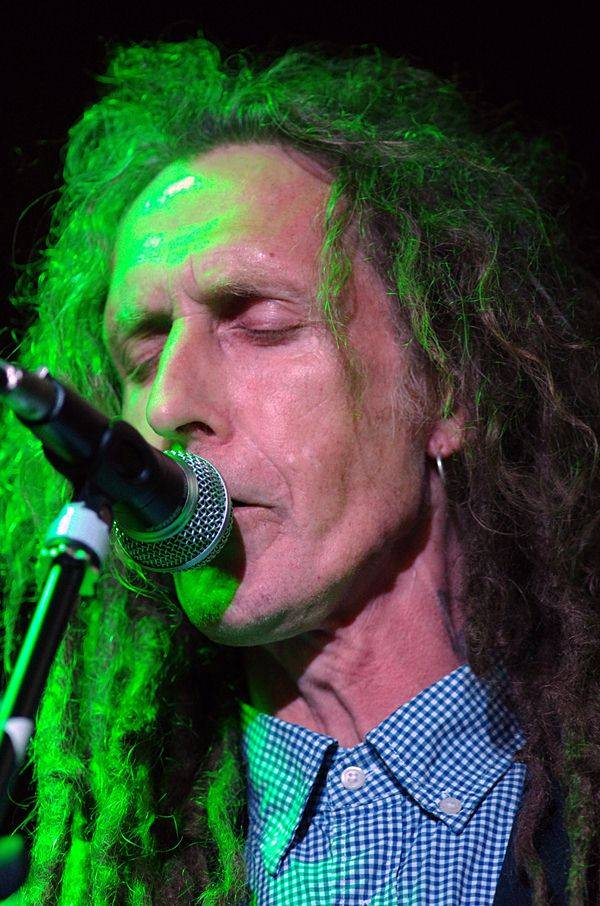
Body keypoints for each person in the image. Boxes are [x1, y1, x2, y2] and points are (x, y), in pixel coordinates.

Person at [0, 36, 598, 906]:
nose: (168, 403)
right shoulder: (98, 876)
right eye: (145, 348)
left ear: (445, 389)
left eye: (259, 322)